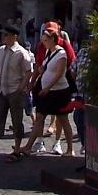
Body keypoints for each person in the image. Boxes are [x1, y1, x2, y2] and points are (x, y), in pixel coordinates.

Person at [0, 22, 34, 164]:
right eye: (3, 34)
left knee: (16, 121)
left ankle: (16, 151)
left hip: (14, 91)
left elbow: (29, 73)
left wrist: (21, 89)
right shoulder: (1, 49)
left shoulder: (22, 53)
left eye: (6, 35)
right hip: (0, 90)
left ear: (14, 37)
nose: (2, 36)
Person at [23, 26, 74, 157]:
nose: (43, 43)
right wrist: (34, 81)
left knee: (63, 119)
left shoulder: (61, 54)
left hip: (59, 93)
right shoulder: (48, 52)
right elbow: (44, 69)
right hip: (47, 93)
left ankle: (70, 149)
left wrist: (47, 87)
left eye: (45, 40)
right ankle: (28, 146)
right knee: (39, 118)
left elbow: (59, 74)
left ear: (52, 39)